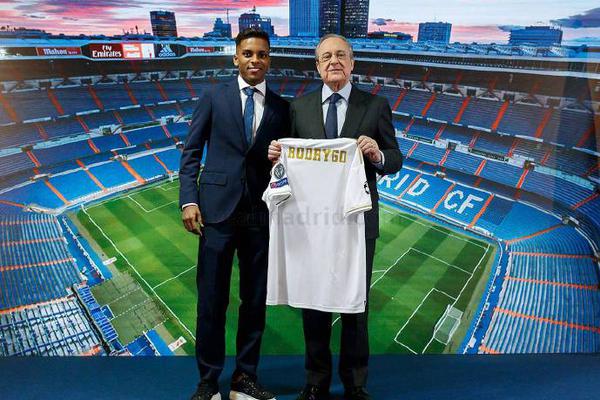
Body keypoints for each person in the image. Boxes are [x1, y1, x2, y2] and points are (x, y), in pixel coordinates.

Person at [268, 34, 402, 400]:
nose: (334, 61)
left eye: (341, 55)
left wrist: (377, 155)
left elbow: (395, 158)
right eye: (326, 56)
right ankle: (316, 381)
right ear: (317, 66)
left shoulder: (375, 106)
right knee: (314, 302)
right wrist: (276, 154)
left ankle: (355, 383)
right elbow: (286, 163)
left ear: (352, 62)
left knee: (356, 304)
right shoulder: (299, 108)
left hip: (357, 223)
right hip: (312, 223)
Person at [180, 28, 290, 400]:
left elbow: (288, 161)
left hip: (259, 215)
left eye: (262, 54)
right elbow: (191, 152)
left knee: (254, 301)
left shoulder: (282, 108)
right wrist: (188, 200)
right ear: (236, 58)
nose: (255, 60)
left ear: (269, 60)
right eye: (248, 53)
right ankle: (208, 382)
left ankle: (245, 378)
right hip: (217, 212)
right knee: (212, 300)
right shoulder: (213, 97)